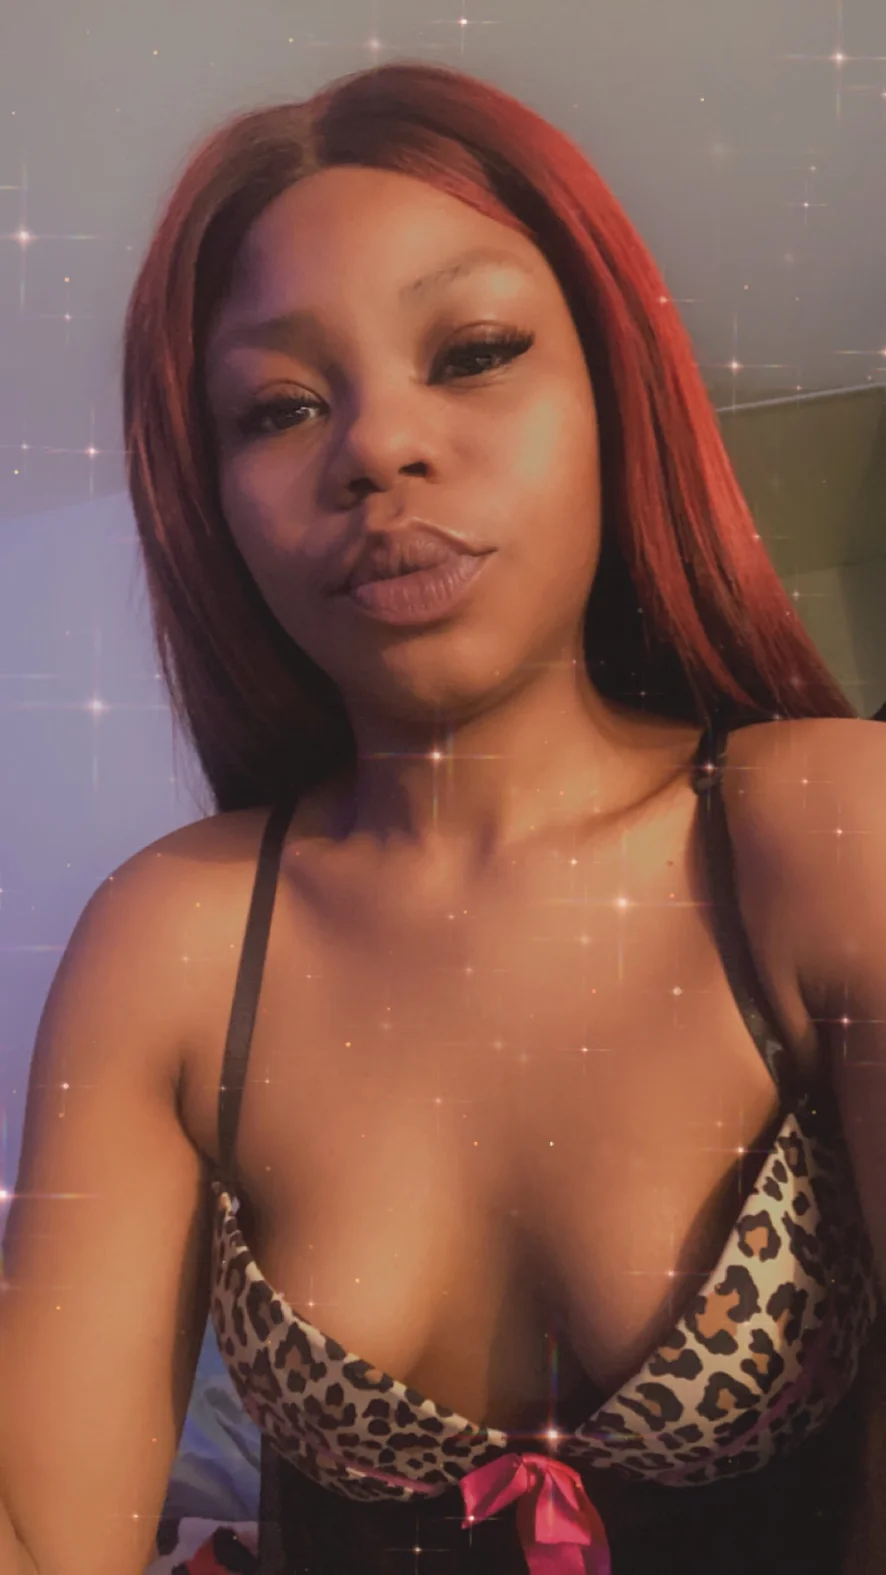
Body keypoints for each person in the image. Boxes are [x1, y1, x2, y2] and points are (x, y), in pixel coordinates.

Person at [1, 59, 885, 1575]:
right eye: (280, 406)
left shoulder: (823, 827)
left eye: (472, 352)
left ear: (613, 395)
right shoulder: (173, 941)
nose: (375, 447)